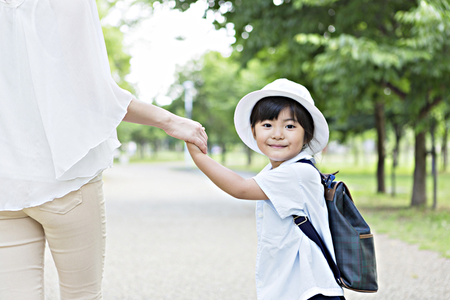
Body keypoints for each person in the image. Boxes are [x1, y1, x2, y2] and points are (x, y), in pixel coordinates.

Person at [0, 0, 206, 299]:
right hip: (66, 177)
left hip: (6, 183)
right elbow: (94, 91)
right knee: (81, 295)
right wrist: (170, 121)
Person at [186, 79, 345, 300]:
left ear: (306, 134)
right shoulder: (274, 171)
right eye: (267, 125)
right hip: (295, 288)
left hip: (310, 289)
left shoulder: (298, 173)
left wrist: (197, 156)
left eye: (290, 126)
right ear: (253, 131)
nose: (277, 134)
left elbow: (240, 189)